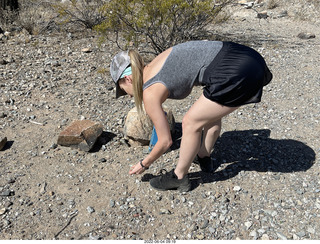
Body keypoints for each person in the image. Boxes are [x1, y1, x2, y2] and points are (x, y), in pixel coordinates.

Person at [110, 40, 272, 192]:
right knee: (208, 114)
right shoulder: (155, 64)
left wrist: (144, 164)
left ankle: (179, 177)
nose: (130, 96)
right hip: (246, 56)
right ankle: (203, 157)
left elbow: (165, 141)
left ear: (128, 79)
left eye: (123, 90)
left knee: (190, 122)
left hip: (236, 71)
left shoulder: (150, 93)